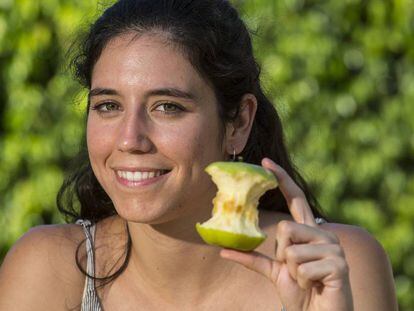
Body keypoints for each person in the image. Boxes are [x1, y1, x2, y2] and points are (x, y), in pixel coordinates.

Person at [0, 0, 398, 310]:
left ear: (238, 123)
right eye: (108, 106)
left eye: (167, 106)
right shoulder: (48, 271)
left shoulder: (337, 268)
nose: (129, 139)